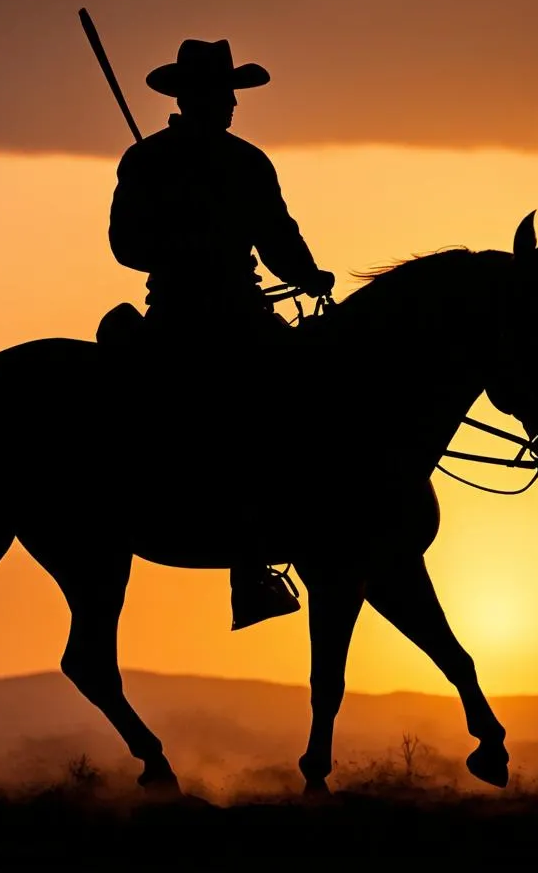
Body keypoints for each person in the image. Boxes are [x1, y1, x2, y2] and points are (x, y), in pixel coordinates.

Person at [108, 38, 335, 631]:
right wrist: (186, 245)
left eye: (232, 94)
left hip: (242, 308)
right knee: (253, 412)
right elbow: (125, 246)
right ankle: (250, 568)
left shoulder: (242, 162)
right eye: (223, 94)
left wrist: (309, 274)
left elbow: (279, 239)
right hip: (183, 316)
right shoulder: (149, 162)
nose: (231, 104)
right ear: (194, 97)